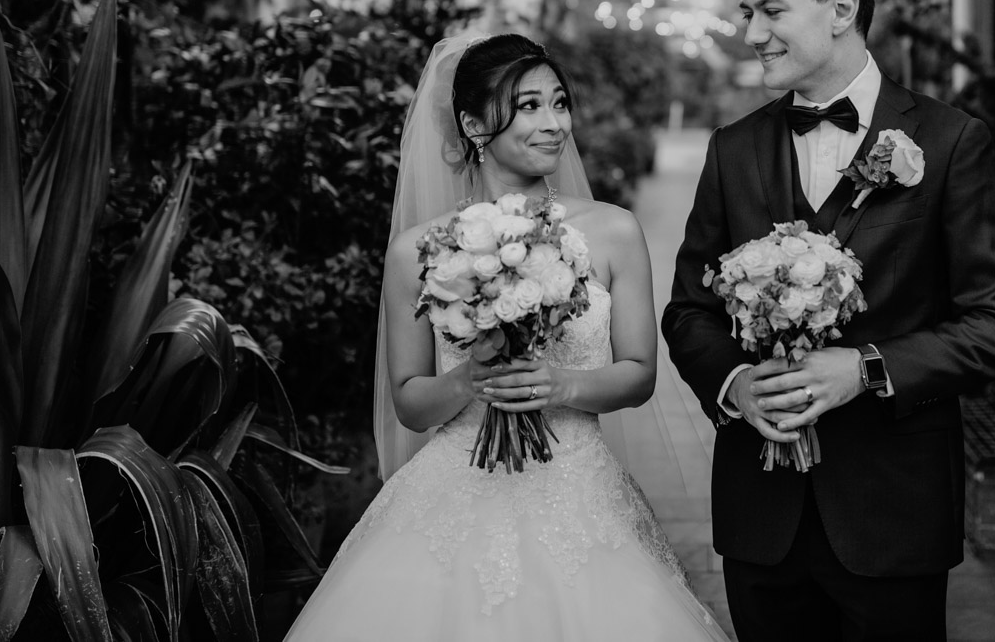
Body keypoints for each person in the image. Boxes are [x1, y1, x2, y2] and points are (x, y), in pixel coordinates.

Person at [662, 0, 995, 642]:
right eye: (748, 13)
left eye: (771, 11)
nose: (751, 33)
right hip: (759, 517)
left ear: (840, 9)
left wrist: (867, 369)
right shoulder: (732, 150)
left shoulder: (950, 141)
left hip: (892, 515)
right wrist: (735, 384)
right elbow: (688, 312)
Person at [285, 32, 728, 642]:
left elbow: (639, 374)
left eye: (559, 103)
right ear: (472, 124)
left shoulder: (613, 232)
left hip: (577, 487)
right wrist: (471, 377)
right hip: (453, 488)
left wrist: (562, 382)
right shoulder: (416, 251)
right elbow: (411, 403)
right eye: (528, 106)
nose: (554, 124)